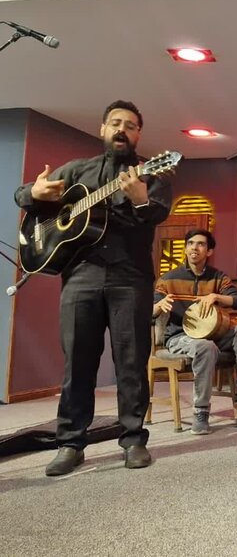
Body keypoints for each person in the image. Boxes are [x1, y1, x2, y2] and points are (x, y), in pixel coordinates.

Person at [14, 100, 172, 476]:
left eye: (130, 125)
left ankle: (133, 440)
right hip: (80, 277)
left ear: (138, 135)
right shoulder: (77, 171)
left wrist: (141, 201)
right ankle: (70, 443)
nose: (122, 130)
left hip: (130, 277)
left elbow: (159, 212)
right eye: (115, 123)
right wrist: (35, 193)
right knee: (77, 362)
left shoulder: (151, 173)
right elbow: (23, 195)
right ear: (103, 129)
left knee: (130, 362)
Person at [154, 229, 237, 435]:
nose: (194, 248)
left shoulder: (217, 277)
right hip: (180, 337)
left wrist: (216, 297)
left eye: (200, 244)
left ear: (209, 251)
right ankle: (201, 412)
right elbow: (148, 311)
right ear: (185, 248)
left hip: (212, 334)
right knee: (205, 347)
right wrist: (158, 306)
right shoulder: (169, 279)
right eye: (190, 243)